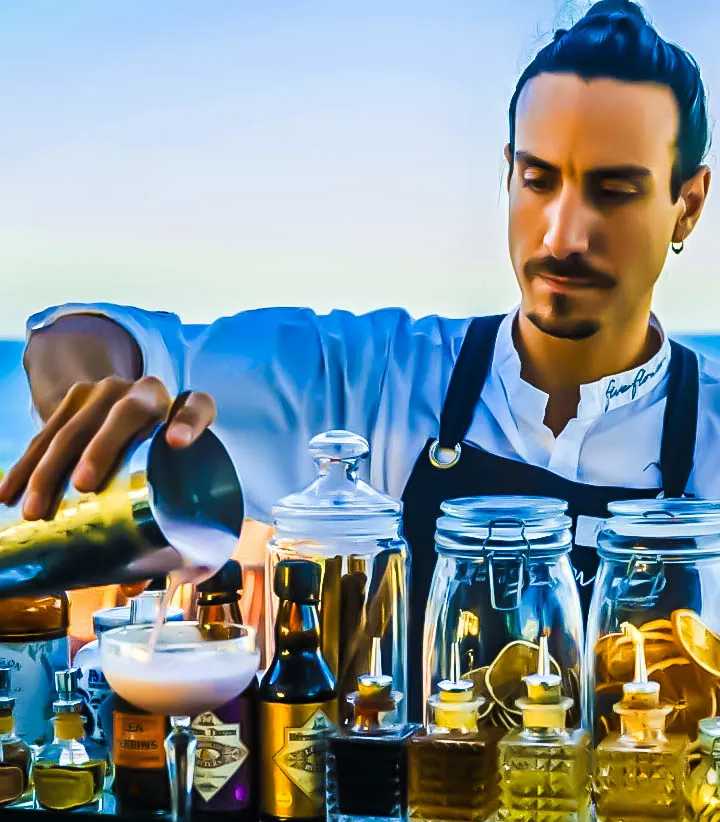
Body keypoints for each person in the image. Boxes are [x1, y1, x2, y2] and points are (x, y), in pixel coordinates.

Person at [4, 0, 718, 718]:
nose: (563, 235)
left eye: (614, 192)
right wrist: (101, 397)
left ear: (687, 205)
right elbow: (84, 335)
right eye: (539, 180)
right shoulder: (377, 379)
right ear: (507, 174)